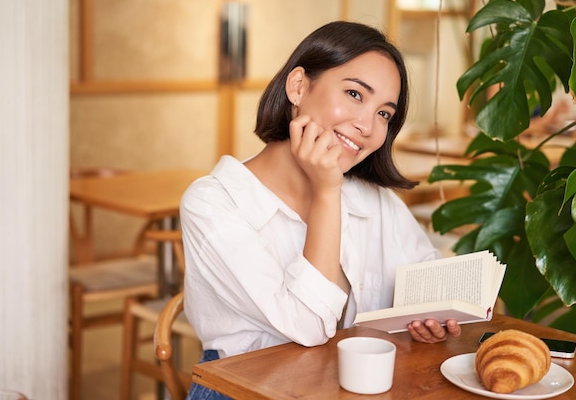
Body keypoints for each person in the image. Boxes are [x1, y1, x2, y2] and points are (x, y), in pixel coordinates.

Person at [180, 20, 461, 400]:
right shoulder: (213, 203)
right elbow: (309, 327)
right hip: (243, 390)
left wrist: (436, 315)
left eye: (384, 114)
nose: (367, 126)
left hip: (351, 385)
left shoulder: (370, 197)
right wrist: (327, 191)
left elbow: (426, 273)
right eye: (354, 94)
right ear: (298, 86)